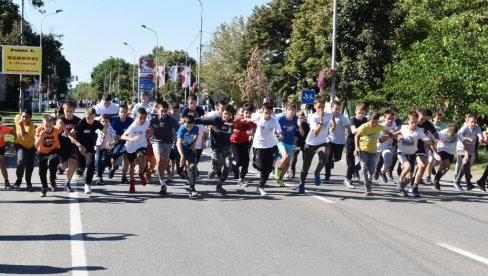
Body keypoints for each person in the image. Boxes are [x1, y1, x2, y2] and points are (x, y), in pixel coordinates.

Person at [194, 104, 236, 193]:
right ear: (222, 113)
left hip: (226, 147)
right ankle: (213, 168)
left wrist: (218, 131)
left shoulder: (231, 123)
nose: (227, 116)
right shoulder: (216, 120)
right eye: (225, 114)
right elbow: (203, 120)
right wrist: (190, 120)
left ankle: (219, 185)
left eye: (229, 114)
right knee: (217, 165)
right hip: (215, 147)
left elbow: (228, 135)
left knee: (228, 165)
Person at [299, 97, 335, 193]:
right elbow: (315, 133)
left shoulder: (329, 115)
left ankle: (317, 172)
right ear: (315, 106)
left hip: (322, 143)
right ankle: (302, 183)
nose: (321, 109)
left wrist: (333, 126)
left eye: (322, 107)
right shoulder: (313, 117)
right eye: (319, 107)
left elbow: (333, 120)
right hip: (310, 144)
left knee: (323, 159)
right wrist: (320, 121)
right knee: (305, 167)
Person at [246, 102, 283, 196]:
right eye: (266, 113)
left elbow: (281, 133)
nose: (268, 115)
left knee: (268, 169)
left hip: (270, 145)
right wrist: (235, 122)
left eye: (270, 113)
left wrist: (280, 137)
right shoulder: (258, 117)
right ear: (263, 111)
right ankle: (255, 162)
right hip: (258, 144)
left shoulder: (274, 120)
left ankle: (260, 186)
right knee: (260, 166)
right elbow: (247, 119)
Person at [354, 112, 394, 195]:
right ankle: (367, 186)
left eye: (376, 122)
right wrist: (356, 148)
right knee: (364, 167)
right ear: (369, 120)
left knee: (372, 170)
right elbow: (356, 136)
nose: (374, 124)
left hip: (373, 151)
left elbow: (390, 134)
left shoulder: (380, 127)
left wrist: (391, 135)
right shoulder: (364, 126)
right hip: (363, 149)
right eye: (373, 122)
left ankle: (369, 179)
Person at [396, 111, 433, 197]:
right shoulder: (403, 127)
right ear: (408, 121)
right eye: (412, 122)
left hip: (411, 154)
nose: (414, 124)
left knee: (409, 178)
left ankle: (401, 187)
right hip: (402, 152)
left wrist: (428, 140)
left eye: (416, 122)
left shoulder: (419, 130)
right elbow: (396, 134)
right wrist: (398, 137)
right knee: (407, 167)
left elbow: (425, 138)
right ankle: (400, 182)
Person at [69, 107, 104, 194]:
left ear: (95, 116)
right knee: (82, 165)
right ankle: (79, 170)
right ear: (85, 116)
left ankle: (87, 185)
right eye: (88, 118)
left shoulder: (96, 123)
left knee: (91, 164)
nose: (89, 120)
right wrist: (79, 145)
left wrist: (103, 142)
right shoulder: (81, 123)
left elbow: (105, 131)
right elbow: (70, 135)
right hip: (79, 147)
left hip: (89, 147)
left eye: (92, 118)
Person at [149, 100, 179, 195]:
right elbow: (143, 124)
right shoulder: (152, 118)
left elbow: (180, 129)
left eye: (166, 111)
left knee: (164, 164)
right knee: (158, 160)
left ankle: (166, 169)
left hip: (168, 143)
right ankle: (163, 184)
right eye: (162, 110)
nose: (164, 113)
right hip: (156, 141)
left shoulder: (170, 119)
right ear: (157, 109)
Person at [274, 101, 304, 187]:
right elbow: (272, 125)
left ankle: (280, 178)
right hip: (281, 141)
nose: (291, 111)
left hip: (290, 143)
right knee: (285, 157)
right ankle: (278, 170)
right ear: (285, 110)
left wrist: (300, 126)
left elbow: (302, 134)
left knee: (287, 164)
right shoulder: (280, 118)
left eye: (293, 110)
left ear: (295, 111)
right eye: (289, 109)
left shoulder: (296, 119)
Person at [121, 108, 150, 193]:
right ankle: (132, 183)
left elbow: (152, 128)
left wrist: (150, 134)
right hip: (130, 147)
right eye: (140, 118)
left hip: (141, 144)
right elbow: (122, 136)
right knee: (132, 166)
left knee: (141, 157)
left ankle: (141, 174)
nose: (142, 120)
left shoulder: (147, 122)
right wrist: (131, 139)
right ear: (136, 117)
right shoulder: (133, 126)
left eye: (144, 118)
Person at [452, 113, 484, 191]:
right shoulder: (464, 128)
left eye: (475, 122)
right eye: (472, 122)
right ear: (467, 122)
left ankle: (463, 182)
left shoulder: (477, 128)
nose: (473, 124)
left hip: (471, 150)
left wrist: (481, 139)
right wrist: (466, 139)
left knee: (466, 166)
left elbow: (479, 135)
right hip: (461, 148)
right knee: (464, 163)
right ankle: (459, 182)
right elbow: (458, 135)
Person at [56, 100, 81, 192]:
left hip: (73, 144)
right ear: (64, 109)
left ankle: (67, 183)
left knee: (73, 162)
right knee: (63, 166)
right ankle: (59, 166)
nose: (68, 113)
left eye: (70, 111)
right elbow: (55, 130)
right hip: (61, 145)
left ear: (74, 110)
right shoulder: (60, 119)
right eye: (67, 111)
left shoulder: (78, 121)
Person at [231, 103, 256, 187]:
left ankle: (241, 179)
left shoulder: (252, 121)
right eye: (246, 113)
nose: (248, 115)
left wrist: (252, 133)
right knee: (239, 161)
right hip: (235, 142)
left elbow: (256, 127)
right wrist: (234, 130)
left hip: (245, 142)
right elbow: (231, 124)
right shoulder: (239, 119)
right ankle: (232, 163)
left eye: (249, 113)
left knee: (246, 162)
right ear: (243, 113)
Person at [35, 115, 61, 197]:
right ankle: (44, 187)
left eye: (50, 126)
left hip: (54, 149)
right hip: (42, 152)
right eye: (46, 126)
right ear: (42, 124)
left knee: (53, 165)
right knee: (42, 171)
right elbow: (36, 145)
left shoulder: (56, 129)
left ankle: (52, 181)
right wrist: (41, 137)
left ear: (53, 124)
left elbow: (60, 123)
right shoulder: (39, 130)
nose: (48, 128)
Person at [325, 100, 350, 182]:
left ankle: (332, 161)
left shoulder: (342, 117)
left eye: (339, 109)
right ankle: (327, 176)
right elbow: (324, 128)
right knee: (328, 157)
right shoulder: (327, 117)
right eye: (336, 108)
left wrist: (350, 136)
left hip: (340, 141)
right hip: (330, 140)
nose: (337, 110)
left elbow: (348, 128)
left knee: (337, 158)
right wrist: (325, 137)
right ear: (331, 108)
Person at [344, 104, 367, 189]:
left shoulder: (365, 120)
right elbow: (353, 131)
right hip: (351, 144)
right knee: (350, 163)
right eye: (359, 113)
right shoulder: (352, 119)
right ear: (356, 112)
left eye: (362, 113)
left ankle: (356, 169)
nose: (360, 115)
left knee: (365, 161)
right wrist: (364, 126)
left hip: (361, 143)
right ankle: (347, 179)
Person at [176, 115, 200, 198]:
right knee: (179, 170)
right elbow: (178, 142)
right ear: (184, 124)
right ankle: (182, 173)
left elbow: (196, 135)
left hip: (189, 149)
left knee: (192, 166)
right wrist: (182, 155)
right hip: (180, 150)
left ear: (193, 124)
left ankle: (192, 188)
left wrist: (193, 145)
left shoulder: (196, 128)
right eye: (187, 126)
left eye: (191, 126)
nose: (189, 128)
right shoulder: (182, 129)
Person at [110, 105, 134, 184]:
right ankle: (113, 168)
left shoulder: (130, 121)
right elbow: (116, 136)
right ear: (118, 112)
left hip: (127, 141)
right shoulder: (115, 121)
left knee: (125, 157)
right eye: (121, 112)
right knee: (114, 158)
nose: (123, 114)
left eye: (125, 112)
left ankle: (124, 176)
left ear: (127, 112)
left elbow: (133, 132)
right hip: (117, 141)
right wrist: (123, 137)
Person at [432, 124, 460, 191]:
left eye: (454, 134)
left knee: (447, 168)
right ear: (448, 131)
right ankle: (436, 180)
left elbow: (463, 139)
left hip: (451, 152)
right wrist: (439, 142)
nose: (453, 135)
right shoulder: (442, 133)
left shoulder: (457, 133)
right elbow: (437, 140)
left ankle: (436, 178)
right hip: (442, 149)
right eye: (452, 134)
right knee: (446, 164)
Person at [13, 109, 36, 189]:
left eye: (27, 117)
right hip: (19, 145)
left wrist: (21, 125)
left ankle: (28, 180)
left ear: (30, 118)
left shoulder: (31, 126)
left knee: (30, 165)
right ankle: (19, 179)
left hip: (30, 146)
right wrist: (14, 132)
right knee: (21, 160)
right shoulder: (17, 118)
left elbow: (23, 136)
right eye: (23, 117)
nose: (24, 119)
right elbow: (15, 120)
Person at [373, 110, 397, 183]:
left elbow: (394, 134)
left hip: (387, 147)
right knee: (378, 162)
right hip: (379, 147)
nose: (390, 120)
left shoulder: (394, 124)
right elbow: (381, 140)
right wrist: (390, 134)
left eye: (392, 118)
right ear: (384, 118)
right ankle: (376, 171)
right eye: (388, 118)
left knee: (389, 159)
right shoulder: (381, 126)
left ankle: (383, 172)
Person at [95, 114, 116, 185]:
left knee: (107, 161)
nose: (104, 123)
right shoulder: (98, 127)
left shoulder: (110, 129)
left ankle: (111, 168)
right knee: (98, 159)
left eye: (106, 122)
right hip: (99, 145)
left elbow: (115, 139)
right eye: (103, 121)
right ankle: (99, 177)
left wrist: (112, 143)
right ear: (100, 121)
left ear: (109, 122)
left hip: (108, 146)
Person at [289, 111, 310, 178]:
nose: (300, 119)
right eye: (299, 117)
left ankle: (304, 172)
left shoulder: (306, 125)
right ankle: (292, 171)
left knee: (305, 159)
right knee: (294, 158)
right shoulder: (293, 124)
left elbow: (303, 134)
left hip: (305, 143)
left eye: (302, 117)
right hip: (296, 143)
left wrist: (300, 125)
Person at [0, 115, 13, 189]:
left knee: (1, 164)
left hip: (1, 146)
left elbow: (9, 139)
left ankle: (6, 181)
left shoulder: (5, 129)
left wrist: (12, 147)